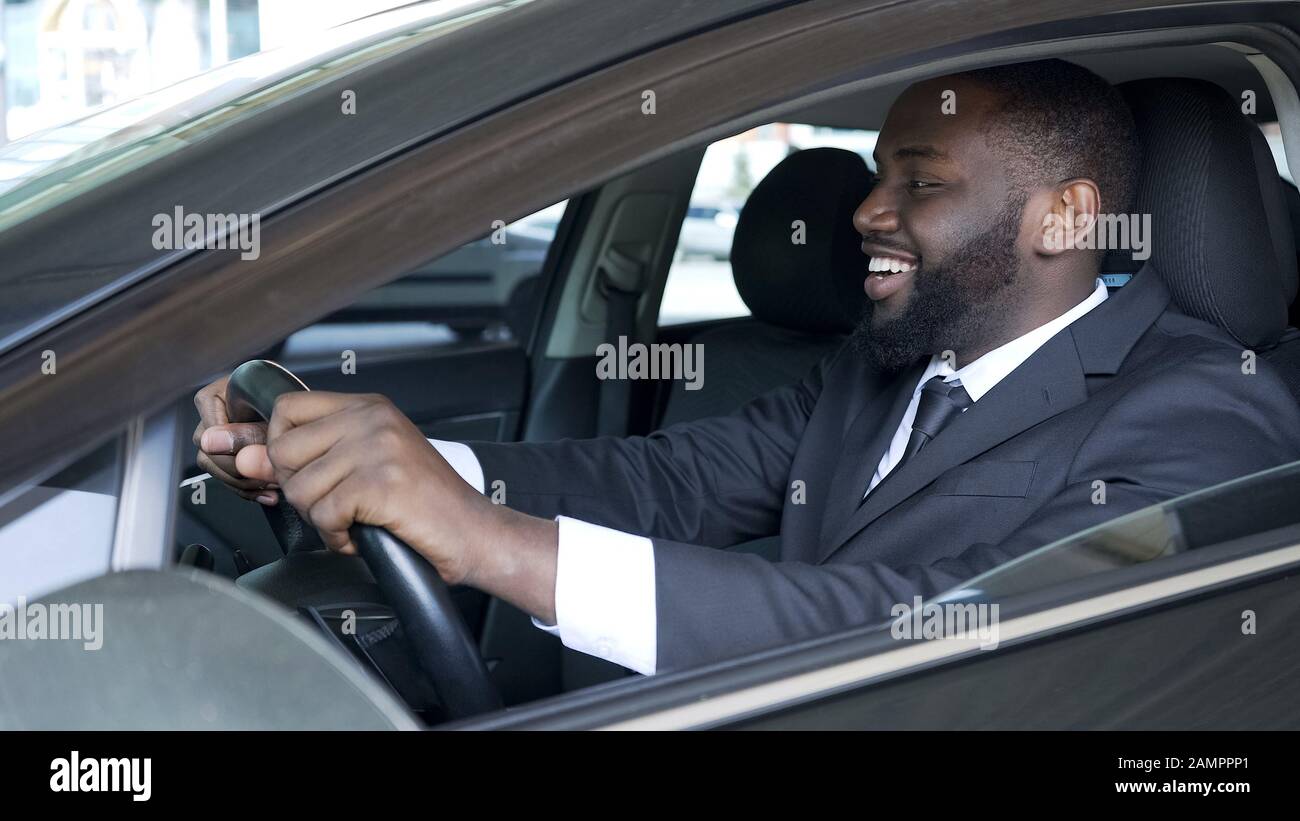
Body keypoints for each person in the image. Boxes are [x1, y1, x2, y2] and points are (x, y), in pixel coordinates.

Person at [193, 60, 1300, 675]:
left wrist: (492, 545)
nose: (866, 209)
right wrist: (381, 466)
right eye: (878, 174)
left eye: (919, 181)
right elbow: (660, 484)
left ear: (1065, 219)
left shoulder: (1208, 413)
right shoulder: (876, 372)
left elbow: (946, 623)